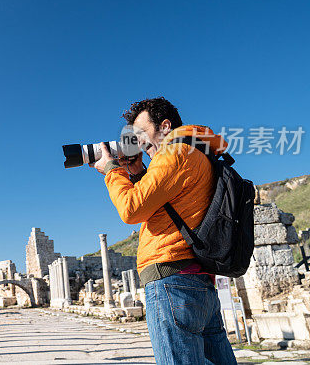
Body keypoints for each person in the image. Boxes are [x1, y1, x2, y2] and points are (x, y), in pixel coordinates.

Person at [90, 96, 237, 365]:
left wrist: (112, 170)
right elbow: (168, 203)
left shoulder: (174, 152)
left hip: (172, 280)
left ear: (165, 125)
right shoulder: (196, 150)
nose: (139, 143)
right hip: (197, 281)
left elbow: (132, 209)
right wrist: (137, 173)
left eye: (142, 134)